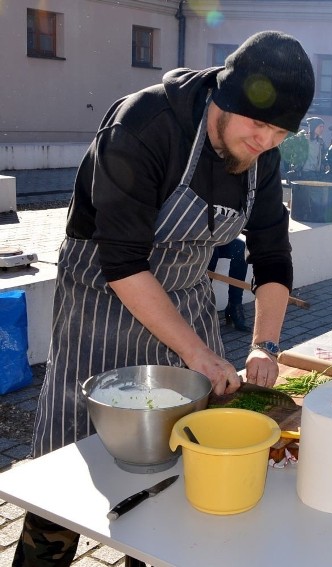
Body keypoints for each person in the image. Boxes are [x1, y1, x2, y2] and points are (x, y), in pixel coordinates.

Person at [12, 31, 314, 567]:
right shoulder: (144, 126)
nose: (266, 142)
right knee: (68, 459)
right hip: (101, 306)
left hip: (188, 303)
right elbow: (123, 263)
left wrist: (266, 344)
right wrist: (199, 354)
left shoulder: (262, 156)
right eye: (258, 125)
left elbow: (273, 256)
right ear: (224, 97)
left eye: (280, 132)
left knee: (181, 458)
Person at [208, 238, 251, 332]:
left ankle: (234, 305)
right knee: (212, 252)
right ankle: (202, 309)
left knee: (240, 247)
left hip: (215, 237)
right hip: (195, 240)